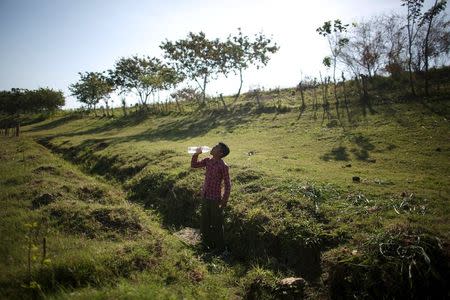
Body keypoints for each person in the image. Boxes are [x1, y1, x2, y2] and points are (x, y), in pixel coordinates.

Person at [191, 142, 231, 251]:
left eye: (216, 147)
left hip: (215, 200)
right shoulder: (208, 161)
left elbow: (228, 185)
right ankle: (205, 245)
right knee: (204, 222)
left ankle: (220, 249)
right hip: (205, 196)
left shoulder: (223, 166)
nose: (213, 147)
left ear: (220, 153)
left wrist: (224, 200)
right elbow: (194, 165)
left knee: (217, 224)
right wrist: (196, 154)